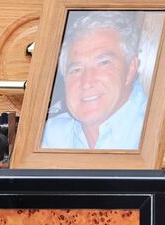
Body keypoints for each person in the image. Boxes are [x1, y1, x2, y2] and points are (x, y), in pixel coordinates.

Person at [41, 12, 148, 150]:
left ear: (130, 69)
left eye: (103, 63)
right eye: (76, 70)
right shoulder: (49, 136)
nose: (87, 82)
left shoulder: (158, 132)